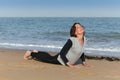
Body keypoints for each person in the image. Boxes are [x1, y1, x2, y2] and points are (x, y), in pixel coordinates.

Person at [23, 22, 89, 68]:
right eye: (77, 27)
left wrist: (84, 62)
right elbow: (62, 54)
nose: (80, 27)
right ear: (75, 32)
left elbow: (81, 51)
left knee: (49, 56)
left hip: (67, 61)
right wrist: (70, 65)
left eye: (80, 26)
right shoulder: (71, 40)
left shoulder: (84, 39)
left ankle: (36, 52)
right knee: (47, 59)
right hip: (61, 60)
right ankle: (31, 53)